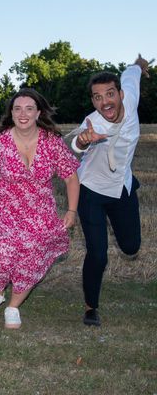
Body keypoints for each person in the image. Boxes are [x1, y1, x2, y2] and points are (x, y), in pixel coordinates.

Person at [0, 88, 80, 329]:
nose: (23, 114)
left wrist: (72, 210)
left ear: (38, 113)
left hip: (39, 211)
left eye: (29, 108)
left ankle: (13, 306)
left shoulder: (52, 142)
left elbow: (71, 177)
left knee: (31, 258)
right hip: (5, 207)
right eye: (17, 108)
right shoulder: (1, 141)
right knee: (0, 254)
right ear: (11, 113)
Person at [71, 55, 150, 327]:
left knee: (131, 247)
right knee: (98, 253)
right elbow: (77, 145)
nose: (105, 101)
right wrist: (83, 141)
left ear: (120, 92)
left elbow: (132, 71)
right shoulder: (93, 123)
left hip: (123, 187)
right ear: (92, 101)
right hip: (91, 190)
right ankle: (91, 307)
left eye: (109, 94)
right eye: (97, 97)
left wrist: (141, 64)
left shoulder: (131, 94)